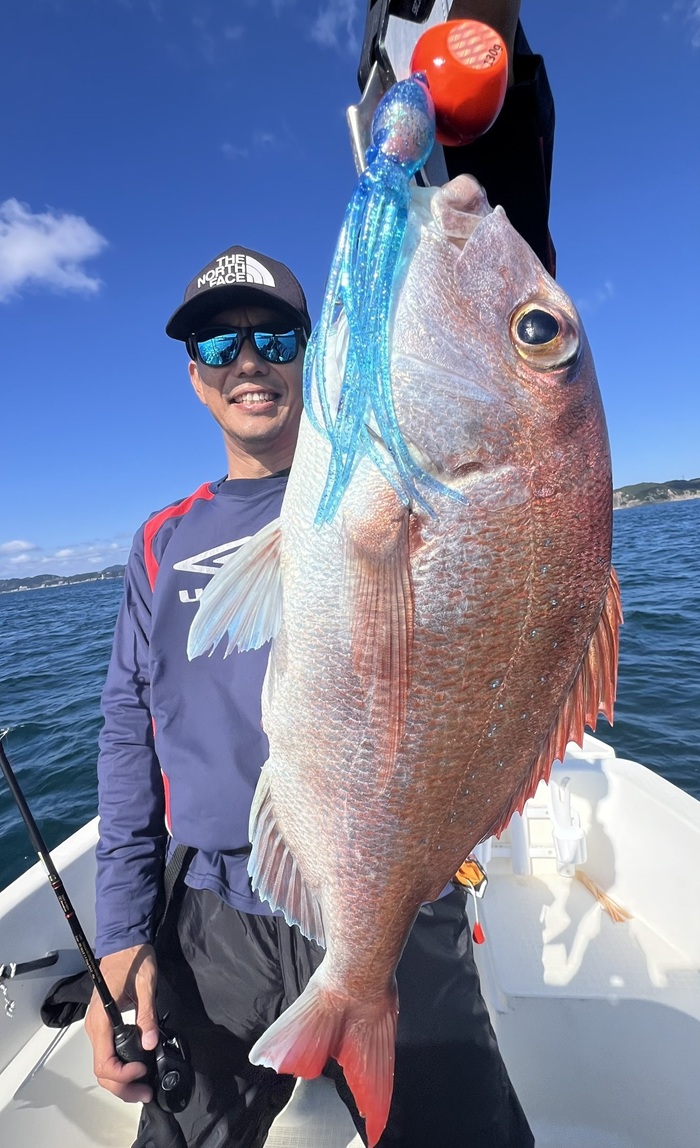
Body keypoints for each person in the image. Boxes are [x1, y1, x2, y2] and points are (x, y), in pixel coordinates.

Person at [86, 3, 554, 1145]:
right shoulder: (159, 541)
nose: (248, 360)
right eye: (218, 342)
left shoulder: (388, 480)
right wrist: (121, 936)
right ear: (192, 374)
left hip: (395, 893)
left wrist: (489, 67)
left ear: (325, 344)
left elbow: (504, 352)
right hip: (212, 915)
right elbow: (123, 736)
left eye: (275, 336)